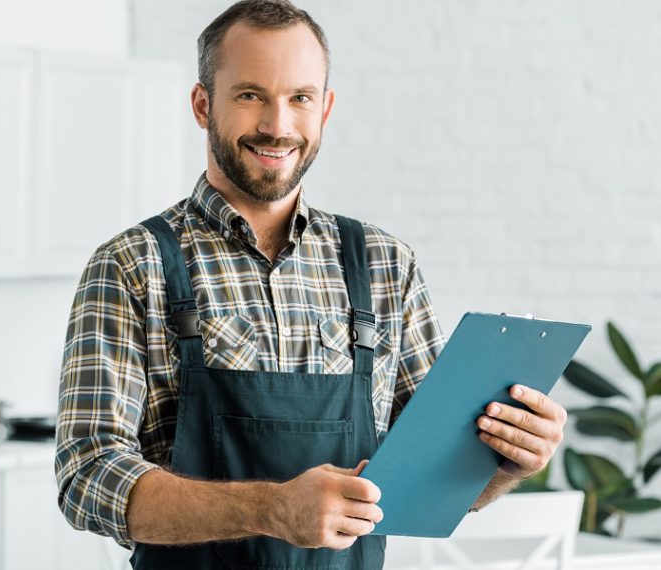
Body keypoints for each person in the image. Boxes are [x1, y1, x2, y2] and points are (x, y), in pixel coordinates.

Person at [55, 1, 568, 569]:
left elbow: (428, 476)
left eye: (300, 97)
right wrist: (272, 509)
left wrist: (504, 463)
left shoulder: (385, 264)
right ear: (203, 105)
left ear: (324, 108)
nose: (278, 125)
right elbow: (86, 475)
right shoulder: (132, 263)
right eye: (250, 95)